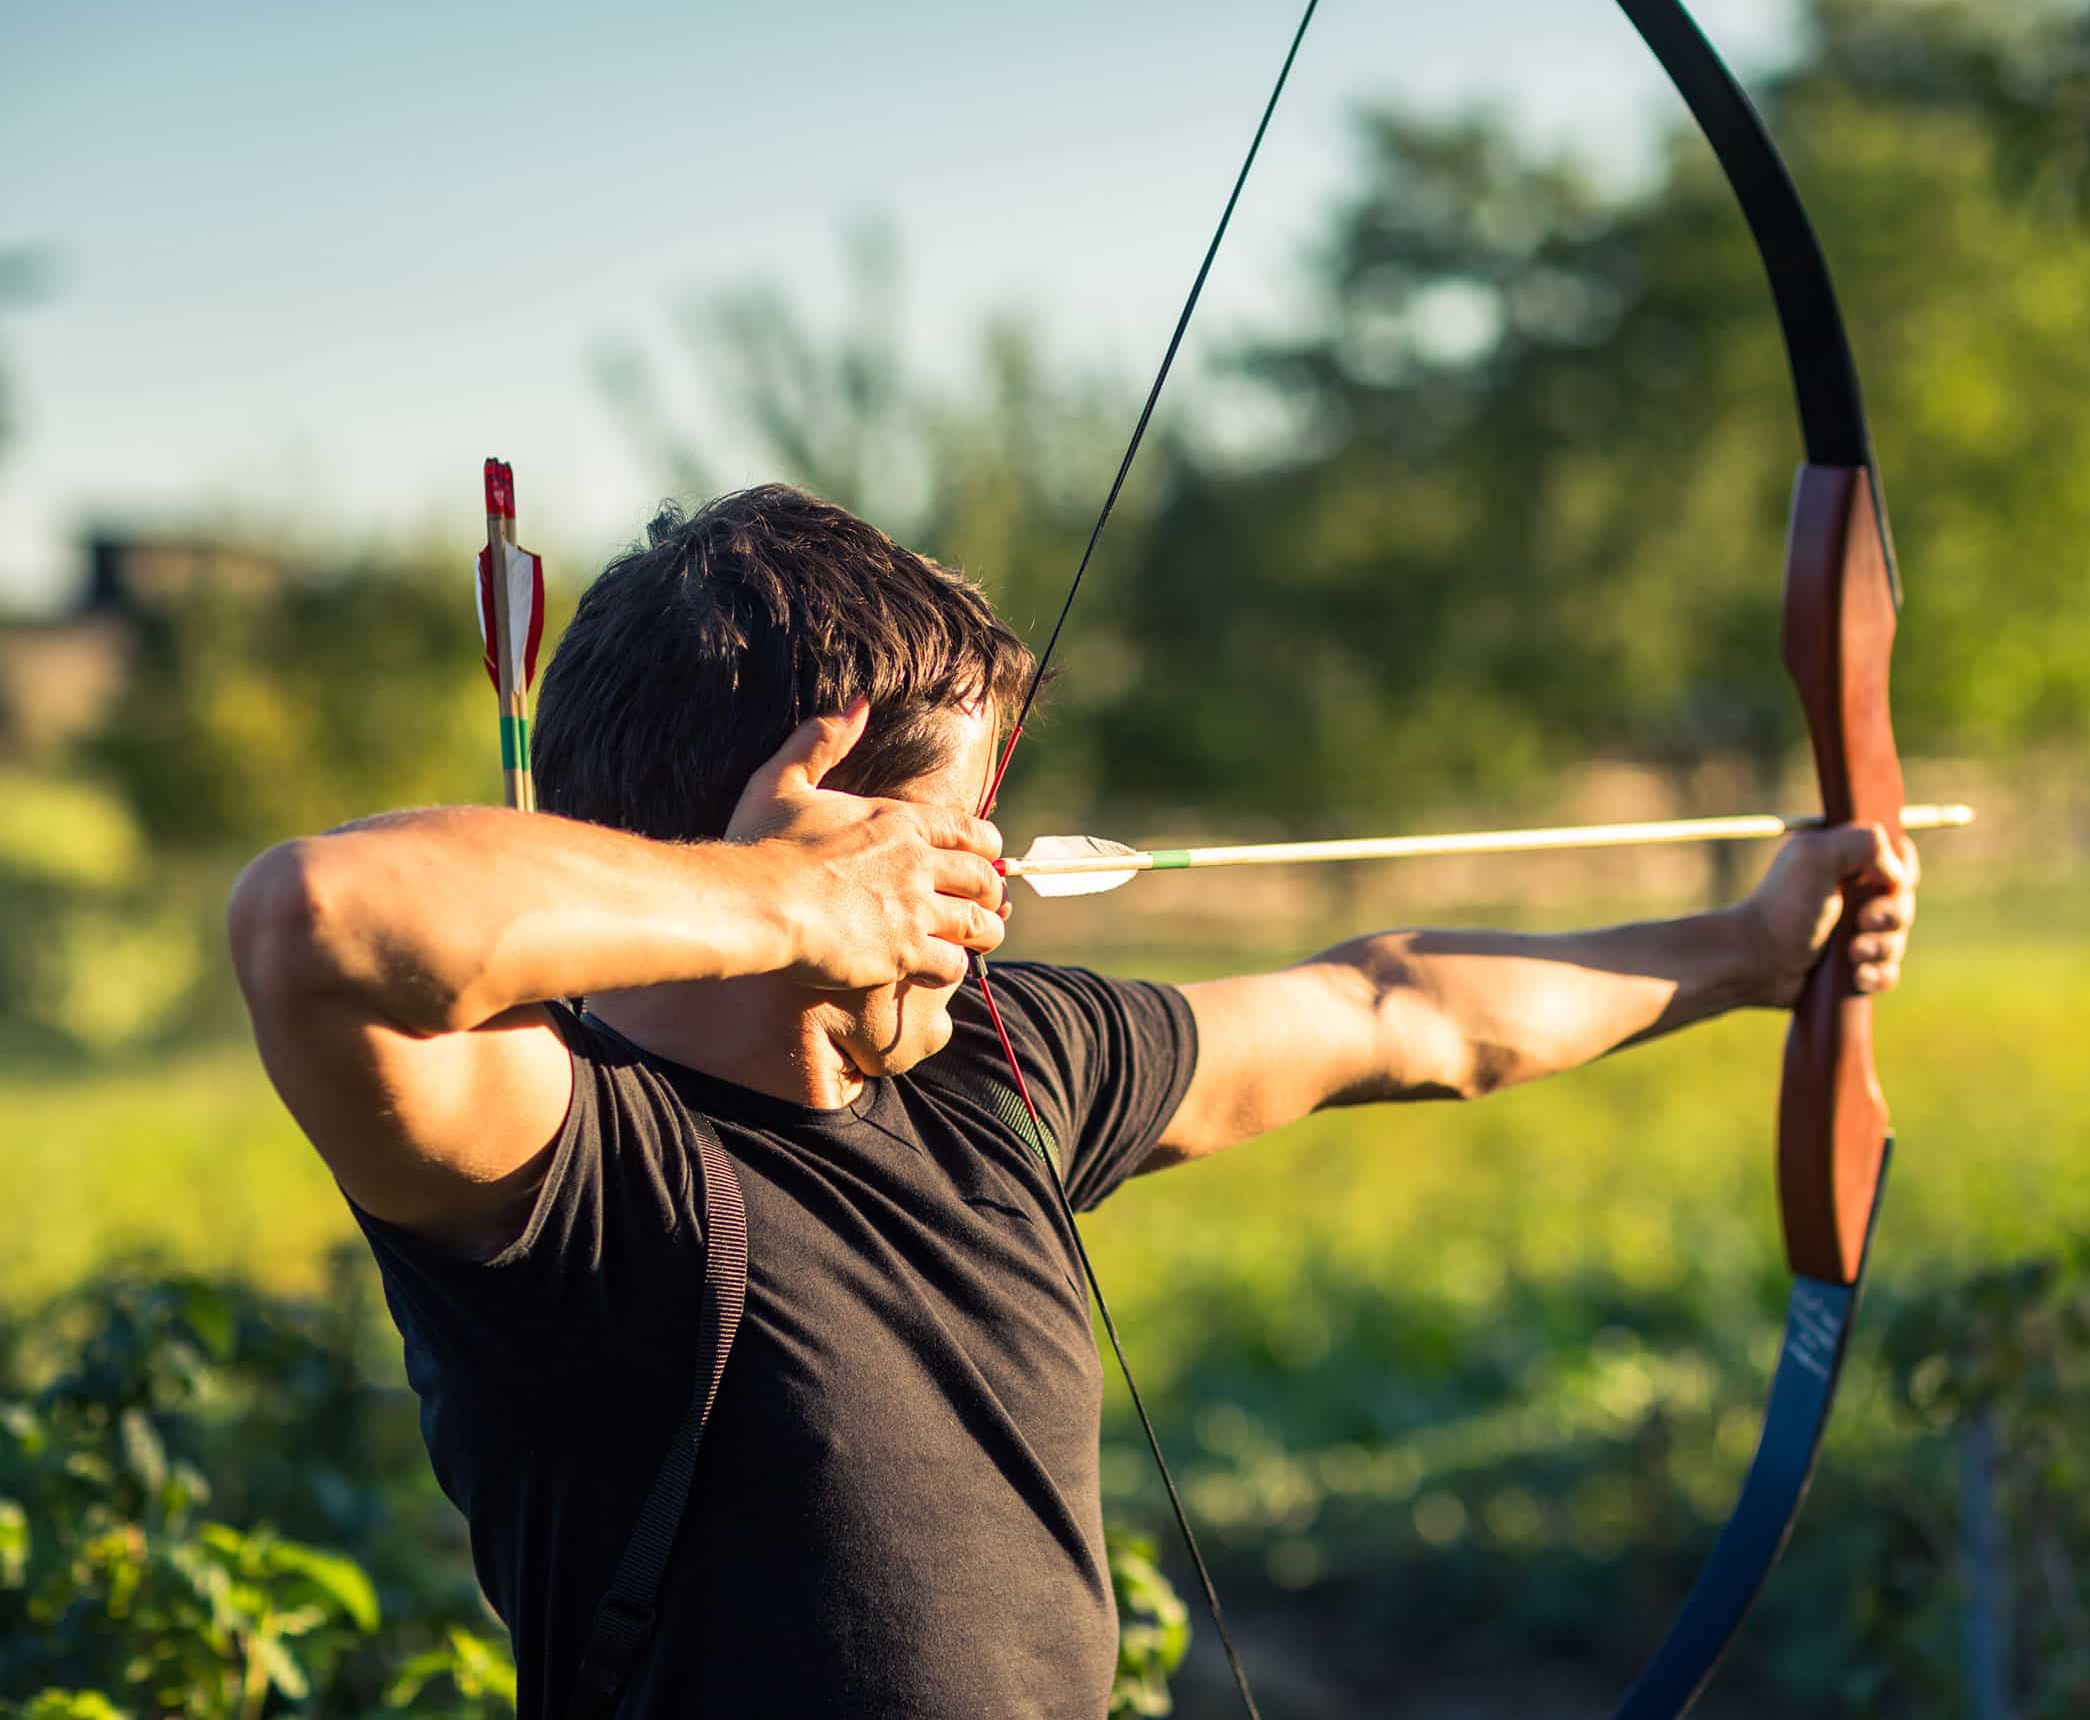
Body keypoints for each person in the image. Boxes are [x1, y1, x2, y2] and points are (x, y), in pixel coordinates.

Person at [228, 484, 1918, 1718]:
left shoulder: (996, 1071)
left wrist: (1755, 950)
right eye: (955, 835)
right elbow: (315, 922)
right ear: (817, 829)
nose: (993, 890)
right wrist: (782, 909)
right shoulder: (578, 1173)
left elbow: (1395, 1010)